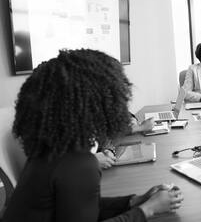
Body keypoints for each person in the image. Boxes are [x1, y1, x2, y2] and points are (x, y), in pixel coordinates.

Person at [4, 49, 183, 222]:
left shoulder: (52, 149)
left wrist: (136, 200)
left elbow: (82, 208)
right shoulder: (79, 164)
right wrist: (148, 209)